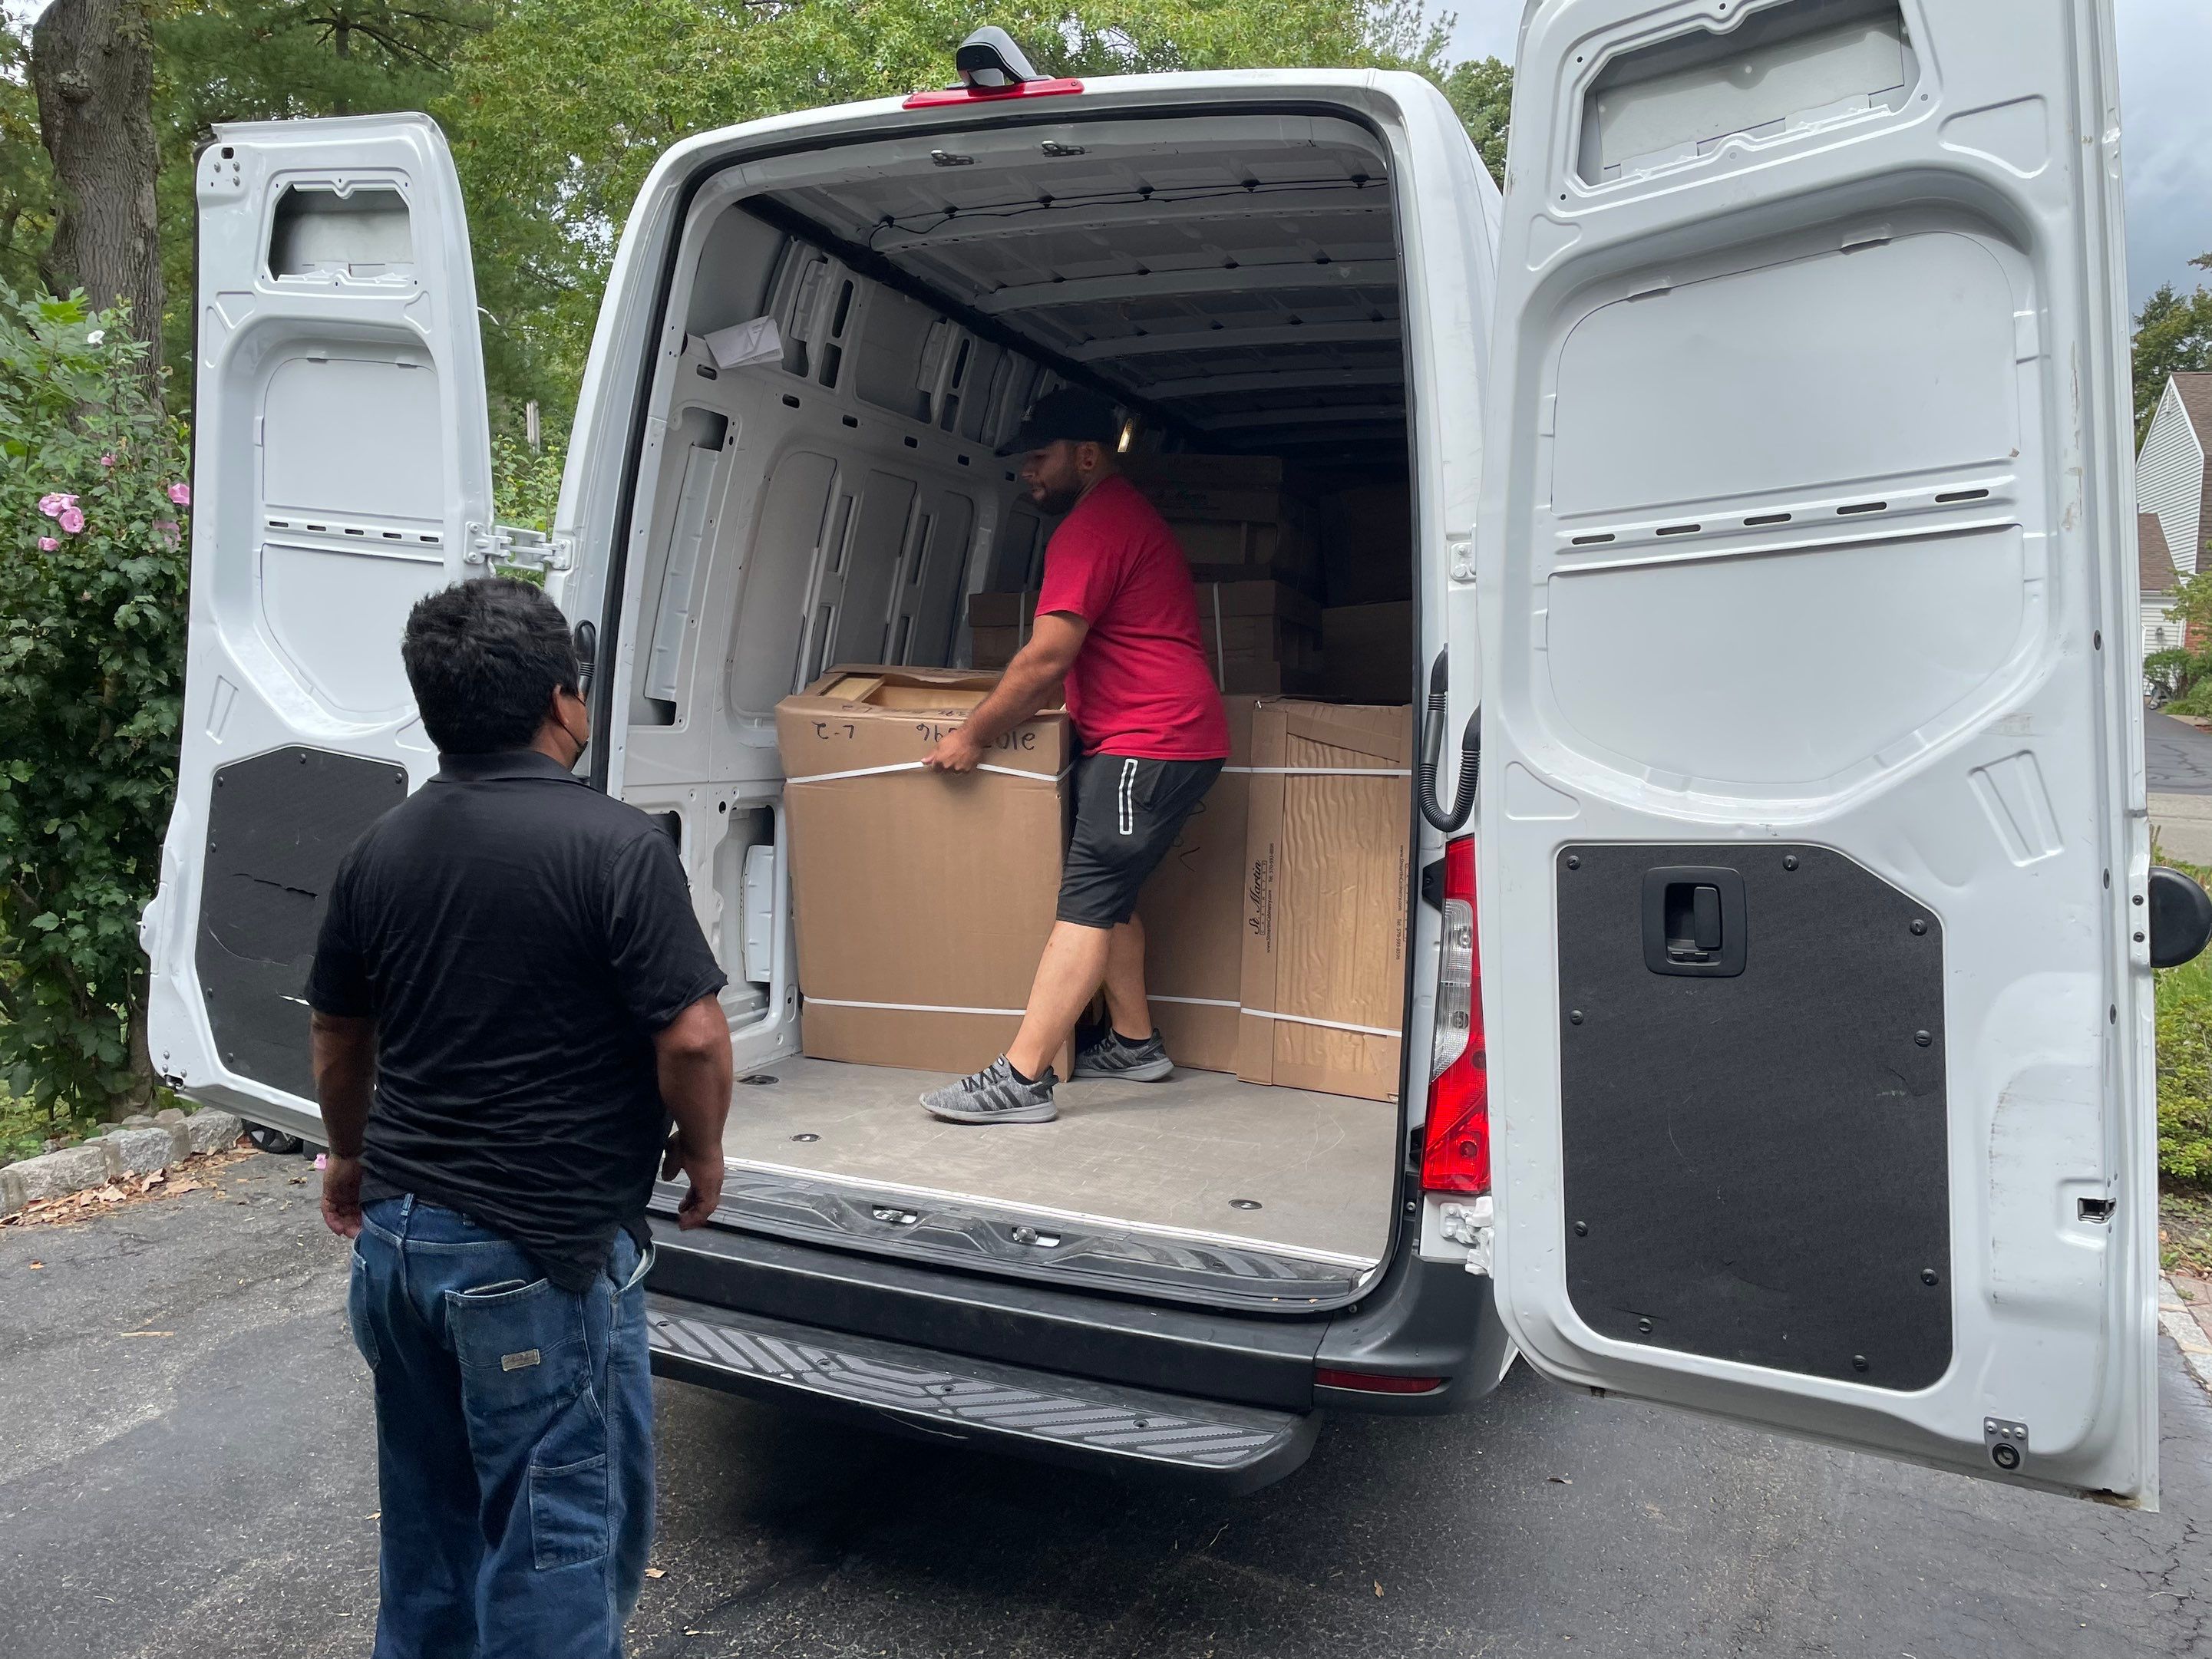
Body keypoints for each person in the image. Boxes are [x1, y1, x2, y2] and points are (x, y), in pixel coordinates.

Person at [309, 577, 734, 1659]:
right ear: (565, 701)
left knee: (429, 1533)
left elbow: (340, 1036)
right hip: (534, 1256)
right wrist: (703, 1145)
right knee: (557, 1545)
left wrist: (351, 1155)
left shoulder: (378, 849)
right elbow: (689, 1037)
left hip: (399, 1250)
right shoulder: (615, 845)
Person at [919, 388, 1229, 1124]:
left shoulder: (1091, 529)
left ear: (1087, 457)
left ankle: (1021, 1079)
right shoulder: (1114, 520)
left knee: (1088, 900)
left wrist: (972, 734)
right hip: (1161, 736)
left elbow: (1045, 658)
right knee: (1110, 896)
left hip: (1148, 743)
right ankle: (1133, 1042)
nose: (1028, 474)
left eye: (1039, 459)